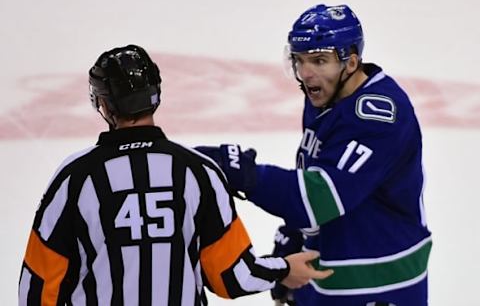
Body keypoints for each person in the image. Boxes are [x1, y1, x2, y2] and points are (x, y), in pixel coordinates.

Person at [17, 44, 333, 306]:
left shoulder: (76, 178)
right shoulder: (198, 172)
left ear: (103, 104)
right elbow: (230, 276)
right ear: (156, 95)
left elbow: (40, 282)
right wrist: (282, 268)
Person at [195, 4, 432, 306]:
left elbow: (320, 196)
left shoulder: (378, 116)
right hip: (327, 274)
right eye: (300, 60)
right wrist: (291, 245)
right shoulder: (325, 98)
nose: (306, 74)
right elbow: (312, 173)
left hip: (378, 283)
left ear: (351, 62)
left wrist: (244, 172)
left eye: (319, 60)